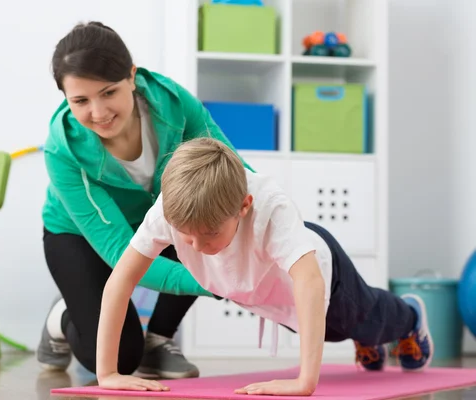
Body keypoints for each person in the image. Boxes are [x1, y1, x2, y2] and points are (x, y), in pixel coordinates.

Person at [95, 138, 434, 396]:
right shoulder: (171, 207)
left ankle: (410, 318)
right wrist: (107, 373)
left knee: (358, 320)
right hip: (266, 289)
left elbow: (310, 283)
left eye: (209, 234)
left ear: (244, 207)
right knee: (333, 332)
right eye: (186, 237)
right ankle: (368, 340)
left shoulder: (271, 208)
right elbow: (120, 282)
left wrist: (304, 381)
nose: (196, 247)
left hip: (320, 272)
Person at [37, 21, 250, 379]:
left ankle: (159, 341)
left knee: (210, 220)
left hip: (156, 223)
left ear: (131, 76)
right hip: (80, 238)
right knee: (119, 360)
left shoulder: (173, 103)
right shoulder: (63, 150)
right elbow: (120, 251)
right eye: (80, 101)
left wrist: (271, 231)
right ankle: (64, 316)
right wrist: (217, 283)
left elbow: (231, 172)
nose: (99, 112)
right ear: (65, 98)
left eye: (108, 93)